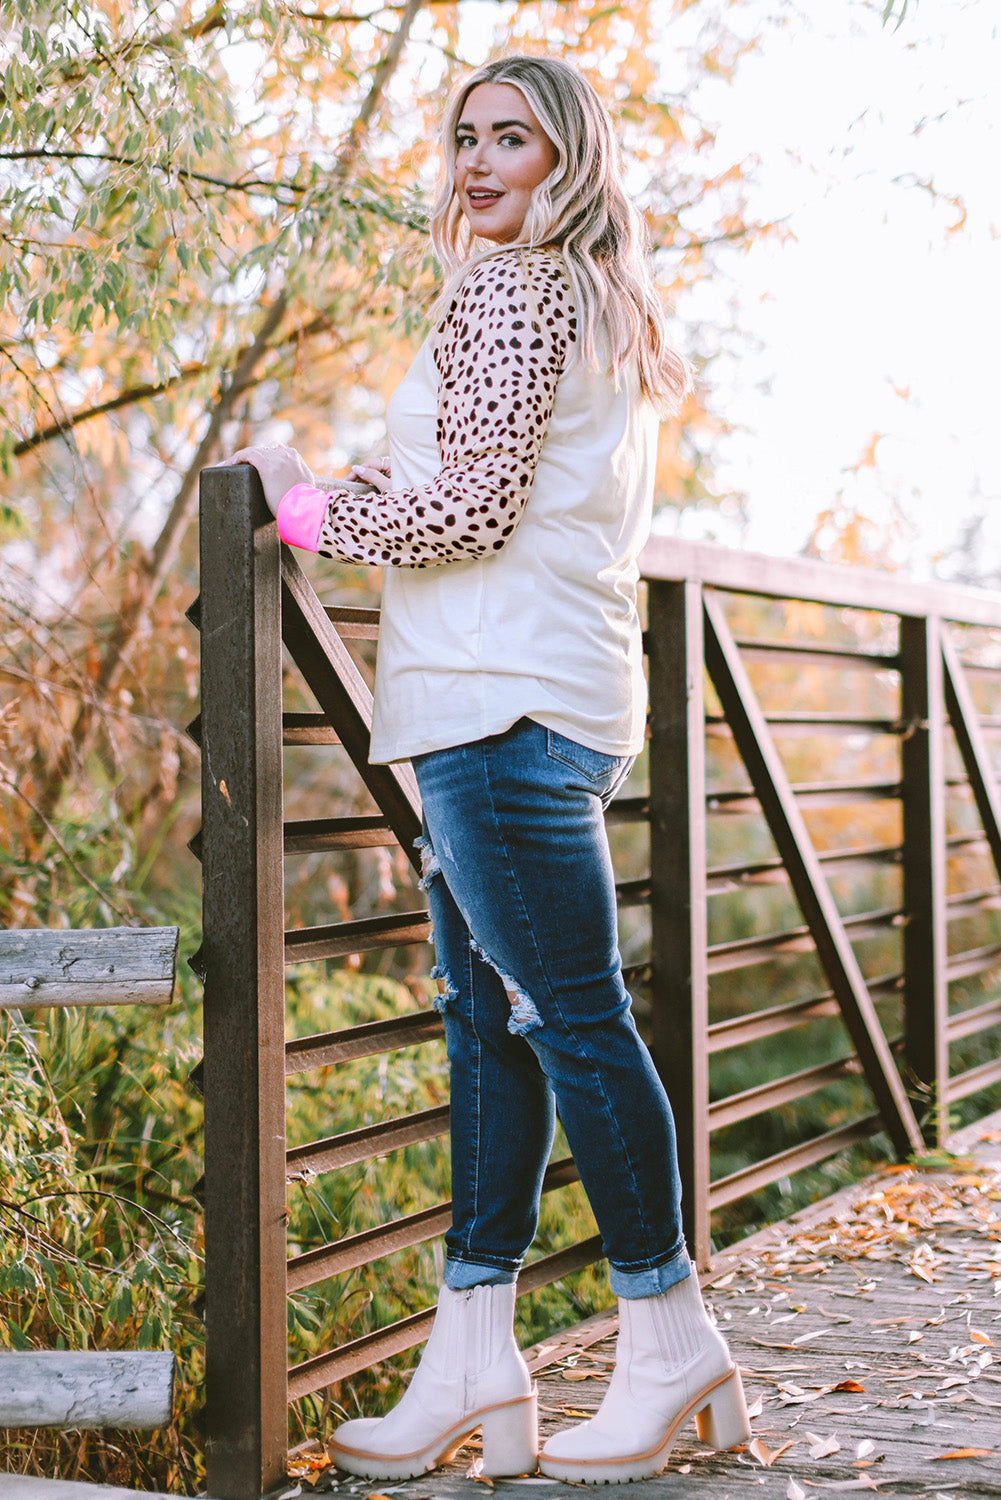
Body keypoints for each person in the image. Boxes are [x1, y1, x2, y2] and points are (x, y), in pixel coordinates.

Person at [226, 52, 750, 1486]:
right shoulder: (588, 298)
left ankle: (665, 1339)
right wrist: (343, 489)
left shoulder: (516, 290)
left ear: (564, 156)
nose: (475, 162)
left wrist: (305, 510)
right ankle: (473, 1367)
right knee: (492, 1025)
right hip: (535, 693)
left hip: (495, 705)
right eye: (463, 137)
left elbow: (460, 512)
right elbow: (490, 488)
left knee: (571, 1020)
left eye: (508, 139)